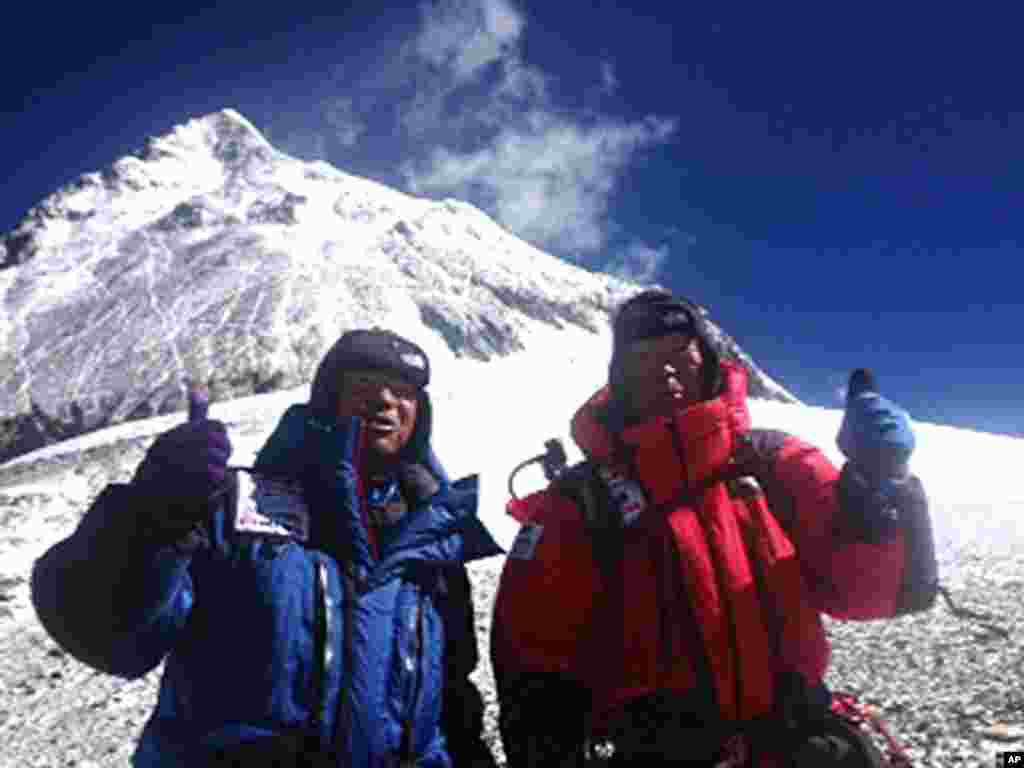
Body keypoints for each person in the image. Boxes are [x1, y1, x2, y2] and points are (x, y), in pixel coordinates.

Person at [491, 290, 936, 767]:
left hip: (794, 741)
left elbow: (870, 593)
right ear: (620, 377)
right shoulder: (579, 502)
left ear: (706, 360)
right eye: (645, 357)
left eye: (680, 353)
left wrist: (881, 487)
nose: (665, 369)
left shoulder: (776, 463)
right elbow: (533, 660)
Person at [31, 328, 501, 768]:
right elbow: (112, 639)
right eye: (364, 383)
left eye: (404, 391)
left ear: (420, 415)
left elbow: (452, 697)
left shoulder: (435, 544)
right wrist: (147, 521)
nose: (384, 399)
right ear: (326, 402)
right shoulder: (229, 507)